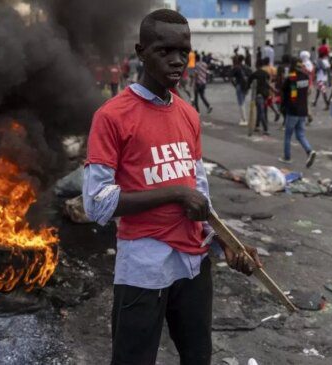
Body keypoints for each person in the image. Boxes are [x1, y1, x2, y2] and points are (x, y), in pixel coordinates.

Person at [82, 9, 262, 365]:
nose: (178, 61)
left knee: (198, 357)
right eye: (165, 51)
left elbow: (199, 188)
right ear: (141, 52)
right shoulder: (112, 116)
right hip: (144, 266)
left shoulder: (188, 114)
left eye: (184, 51)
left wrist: (227, 240)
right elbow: (97, 203)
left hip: (194, 264)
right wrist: (174, 194)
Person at [279, 57, 317, 167]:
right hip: (303, 110)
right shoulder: (305, 77)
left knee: (288, 135)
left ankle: (287, 157)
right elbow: (305, 93)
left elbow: (291, 95)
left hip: (293, 110)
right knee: (300, 134)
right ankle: (309, 151)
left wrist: (283, 107)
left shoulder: (292, 78)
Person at [249, 59, 275, 134]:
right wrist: (273, 90)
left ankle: (265, 129)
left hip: (258, 94)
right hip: (265, 94)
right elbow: (267, 83)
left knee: (261, 111)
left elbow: (249, 83)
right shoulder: (265, 73)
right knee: (262, 111)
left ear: (256, 65)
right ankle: (257, 126)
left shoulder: (254, 74)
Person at [231, 55, 251, 126]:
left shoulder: (236, 67)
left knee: (241, 103)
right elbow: (250, 76)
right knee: (243, 102)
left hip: (239, 85)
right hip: (246, 86)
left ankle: (244, 119)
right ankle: (243, 118)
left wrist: (235, 85)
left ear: (237, 60)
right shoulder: (246, 67)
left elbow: (230, 77)